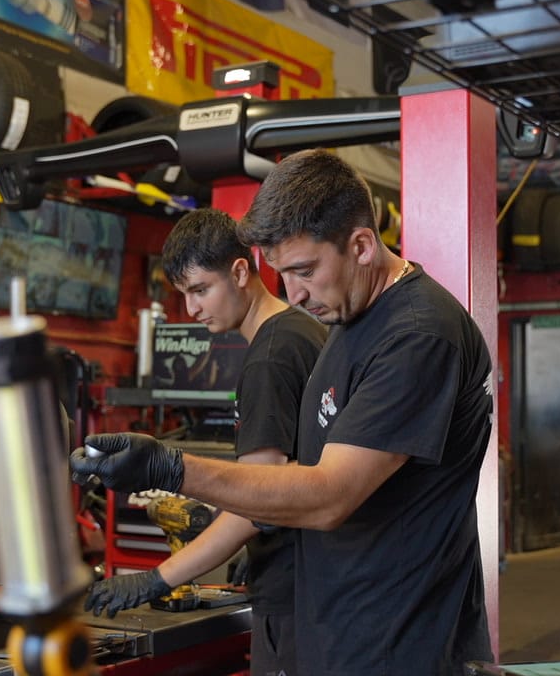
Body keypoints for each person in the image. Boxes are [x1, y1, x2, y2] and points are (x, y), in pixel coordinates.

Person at [71, 148, 495, 675]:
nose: (293, 294)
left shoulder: (417, 334)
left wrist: (172, 469)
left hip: (397, 642)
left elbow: (329, 496)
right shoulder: (348, 320)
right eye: (283, 274)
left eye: (304, 270)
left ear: (361, 245)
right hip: (340, 627)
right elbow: (298, 478)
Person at [83, 208, 326, 676]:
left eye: (200, 290)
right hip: (316, 582)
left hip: (296, 593)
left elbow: (261, 494)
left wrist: (158, 578)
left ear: (240, 272)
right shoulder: (302, 332)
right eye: (183, 295)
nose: (191, 309)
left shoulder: (269, 358)